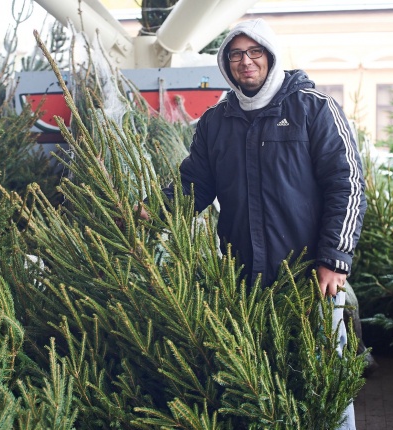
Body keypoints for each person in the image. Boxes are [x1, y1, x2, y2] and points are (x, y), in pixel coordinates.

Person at [141, 18, 366, 429]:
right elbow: (194, 183)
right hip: (241, 277)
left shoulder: (313, 108)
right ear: (227, 64)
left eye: (254, 52)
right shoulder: (216, 121)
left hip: (309, 278)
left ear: (270, 54)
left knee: (324, 381)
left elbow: (347, 183)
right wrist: (152, 211)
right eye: (236, 54)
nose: (246, 62)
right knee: (258, 382)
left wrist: (334, 257)